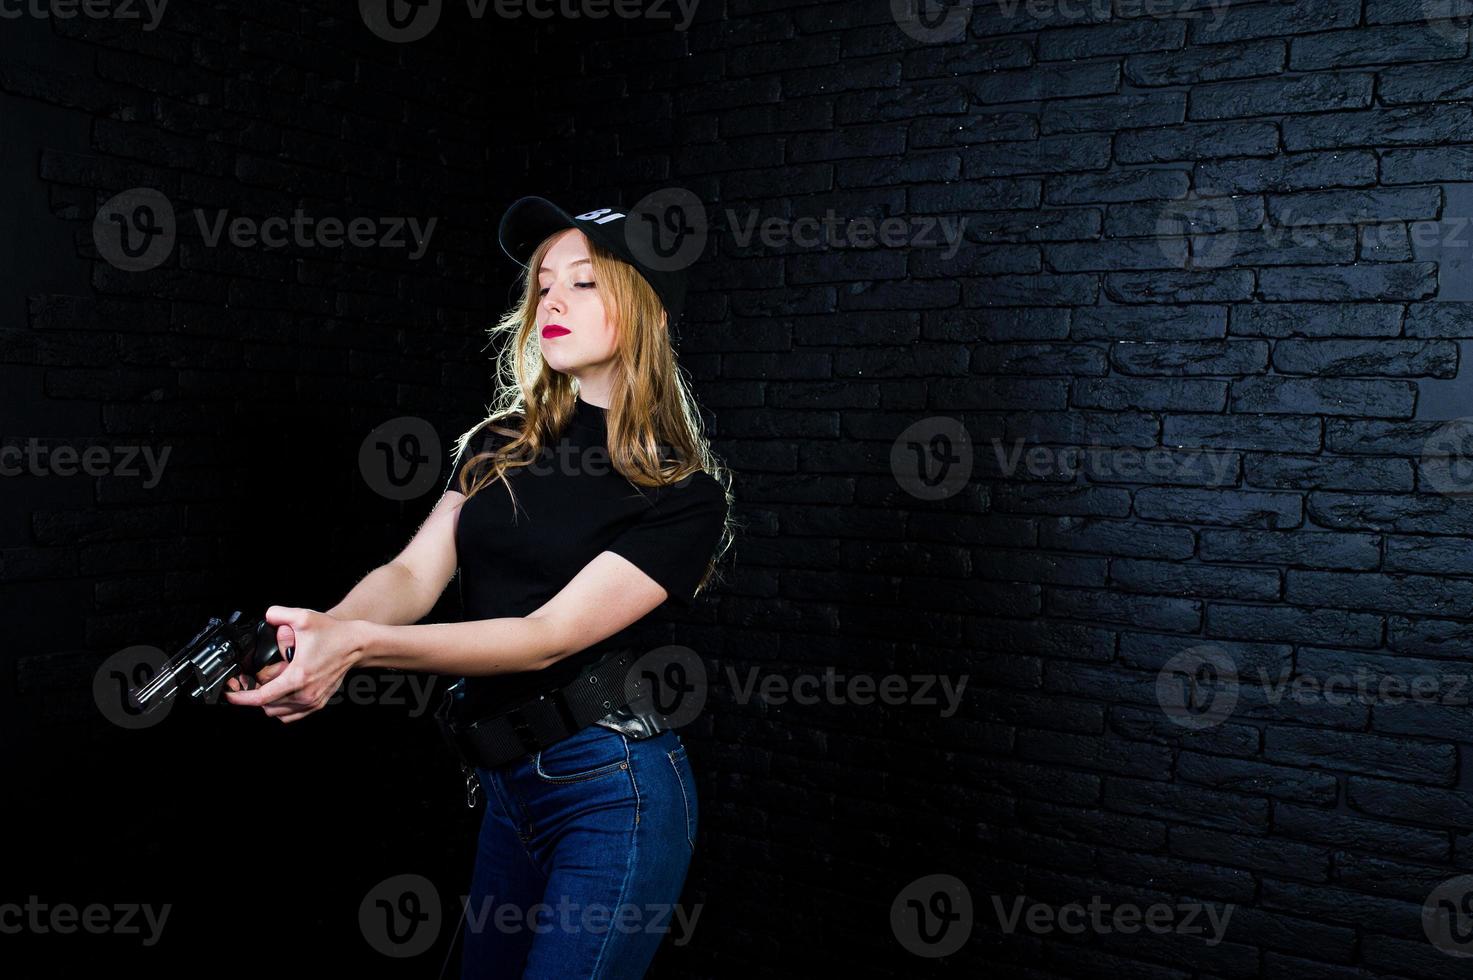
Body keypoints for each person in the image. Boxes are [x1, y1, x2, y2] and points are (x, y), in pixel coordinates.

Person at [224, 196, 734, 978]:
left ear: (649, 312)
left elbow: (545, 638)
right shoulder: (501, 443)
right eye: (542, 284)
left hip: (612, 792)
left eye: (585, 282)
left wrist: (356, 647)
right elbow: (410, 575)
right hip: (506, 788)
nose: (552, 300)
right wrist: (318, 633)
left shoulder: (680, 492)